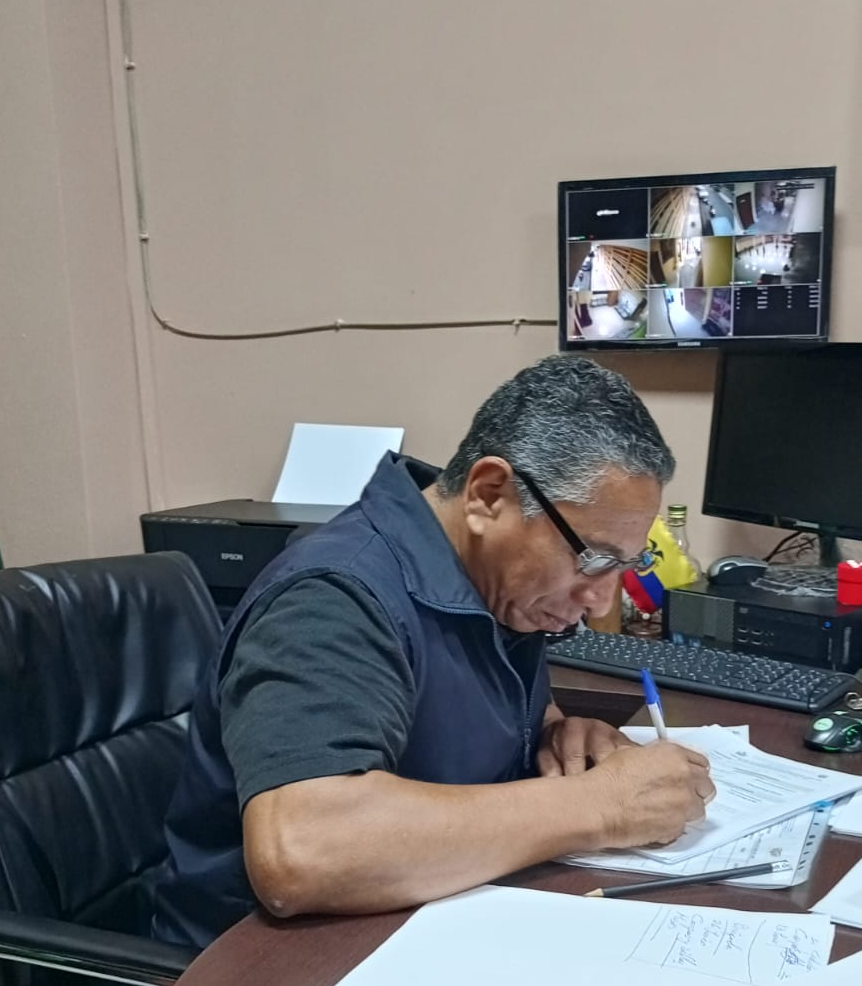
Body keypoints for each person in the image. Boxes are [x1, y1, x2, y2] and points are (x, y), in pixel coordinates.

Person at [152, 356, 715, 952]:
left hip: (415, 929)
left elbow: (453, 711)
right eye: (593, 558)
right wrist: (602, 804)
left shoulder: (492, 581)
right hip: (254, 976)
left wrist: (554, 733)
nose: (601, 598)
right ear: (489, 495)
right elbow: (304, 849)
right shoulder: (333, 598)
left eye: (626, 565)